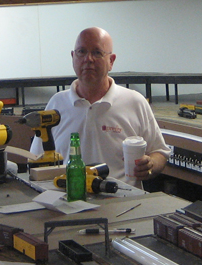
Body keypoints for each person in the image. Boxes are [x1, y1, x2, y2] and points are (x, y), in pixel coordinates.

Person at [30, 27, 170, 184]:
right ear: (72, 57)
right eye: (81, 52)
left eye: (97, 52)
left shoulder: (135, 102)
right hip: (67, 200)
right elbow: (37, 158)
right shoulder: (56, 104)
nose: (88, 59)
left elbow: (160, 152)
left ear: (111, 61)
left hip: (123, 202)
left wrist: (150, 165)